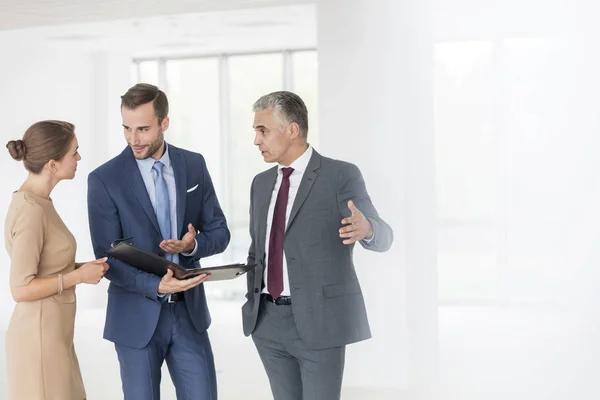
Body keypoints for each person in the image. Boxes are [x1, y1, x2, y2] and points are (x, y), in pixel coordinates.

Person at [242, 91, 394, 400]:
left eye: (263, 130)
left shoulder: (340, 175)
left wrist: (366, 229)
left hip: (319, 323)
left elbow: (384, 237)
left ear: (292, 130)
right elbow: (257, 250)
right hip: (267, 323)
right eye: (255, 131)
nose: (257, 140)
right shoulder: (260, 184)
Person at [87, 83, 230, 400]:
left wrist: (191, 246)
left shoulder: (194, 165)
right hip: (136, 314)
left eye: (143, 129)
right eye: (126, 128)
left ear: (164, 123)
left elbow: (220, 232)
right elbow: (107, 257)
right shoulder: (104, 179)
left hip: (189, 315)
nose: (133, 139)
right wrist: (156, 286)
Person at [4, 120, 109, 400]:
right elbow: (20, 289)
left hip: (54, 336)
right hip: (38, 340)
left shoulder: (40, 203)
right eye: (74, 152)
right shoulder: (30, 211)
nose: (79, 158)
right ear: (52, 164)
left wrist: (83, 268)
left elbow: (47, 267)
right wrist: (78, 277)